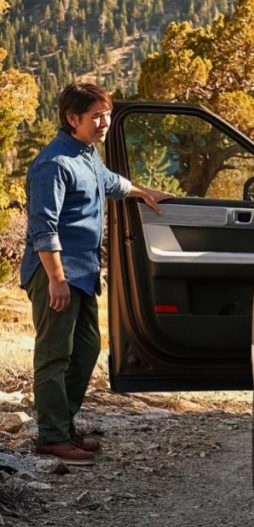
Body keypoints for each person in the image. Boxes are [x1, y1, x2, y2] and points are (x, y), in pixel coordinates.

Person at [20, 83, 173, 465]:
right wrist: (55, 278)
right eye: (97, 116)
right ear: (73, 118)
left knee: (86, 348)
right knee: (54, 355)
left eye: (107, 114)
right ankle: (52, 437)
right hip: (56, 272)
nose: (105, 123)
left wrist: (144, 192)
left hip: (84, 273)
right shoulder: (53, 164)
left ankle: (62, 425)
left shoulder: (86, 155)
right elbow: (44, 227)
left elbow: (110, 182)